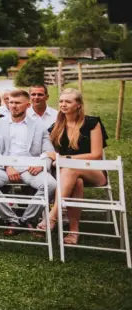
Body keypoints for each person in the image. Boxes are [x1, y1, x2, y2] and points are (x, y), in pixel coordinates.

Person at [0, 89, 55, 233]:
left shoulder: (38, 125)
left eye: (18, 103)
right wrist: (7, 166)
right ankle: (11, 220)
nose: (13, 106)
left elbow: (49, 150)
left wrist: (41, 165)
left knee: (50, 184)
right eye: (11, 102)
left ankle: (28, 219)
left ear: (28, 105)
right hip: (3, 167)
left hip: (29, 167)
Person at [43, 88, 108, 242]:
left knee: (70, 167)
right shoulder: (56, 127)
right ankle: (73, 231)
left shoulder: (92, 122)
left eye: (68, 101)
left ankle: (53, 215)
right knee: (74, 178)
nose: (63, 104)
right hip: (69, 175)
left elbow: (96, 155)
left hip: (94, 172)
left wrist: (64, 158)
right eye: (61, 101)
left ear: (78, 105)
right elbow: (50, 153)